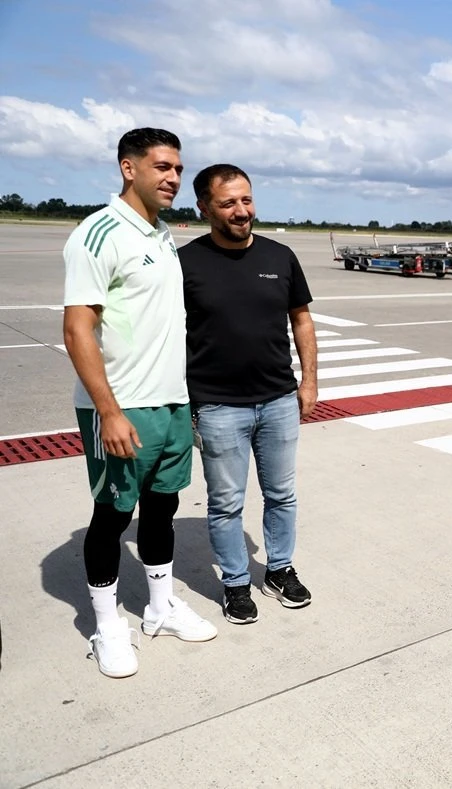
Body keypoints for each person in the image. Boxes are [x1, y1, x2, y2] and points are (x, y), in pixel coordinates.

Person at [63, 128, 218, 679]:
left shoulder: (160, 234)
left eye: (177, 167)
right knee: (111, 515)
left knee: (163, 508)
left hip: (171, 403)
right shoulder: (98, 234)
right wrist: (109, 411)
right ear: (129, 169)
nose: (174, 177)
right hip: (123, 408)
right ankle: (106, 627)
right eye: (162, 167)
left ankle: (159, 608)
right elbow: (78, 329)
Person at [179, 164, 317, 625]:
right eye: (228, 203)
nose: (242, 211)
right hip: (217, 405)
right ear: (204, 207)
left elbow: (301, 319)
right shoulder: (186, 263)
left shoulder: (280, 256)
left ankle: (279, 569)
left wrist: (309, 380)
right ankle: (236, 583)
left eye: (247, 200)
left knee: (282, 494)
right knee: (226, 503)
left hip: (278, 399)